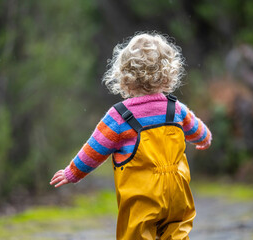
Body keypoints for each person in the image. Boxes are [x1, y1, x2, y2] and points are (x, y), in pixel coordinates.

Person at [50, 32, 212, 240]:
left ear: (124, 75)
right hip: (178, 194)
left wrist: (72, 172)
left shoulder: (119, 117)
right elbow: (198, 130)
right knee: (178, 233)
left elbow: (95, 149)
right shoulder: (176, 109)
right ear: (168, 73)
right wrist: (205, 139)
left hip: (142, 199)